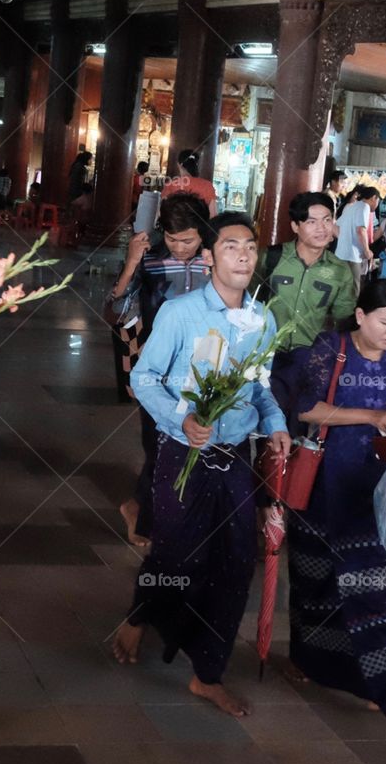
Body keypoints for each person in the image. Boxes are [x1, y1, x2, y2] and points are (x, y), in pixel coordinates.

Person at [112, 212, 290, 717]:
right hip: (181, 451)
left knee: (235, 563)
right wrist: (181, 418)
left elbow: (260, 388)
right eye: (231, 246)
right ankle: (140, 615)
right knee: (176, 554)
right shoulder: (181, 312)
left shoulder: (262, 319)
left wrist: (275, 423)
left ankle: (207, 673)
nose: (243, 256)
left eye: (251, 248)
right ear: (210, 256)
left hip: (233, 456)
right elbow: (144, 379)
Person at [286, 278, 386, 715]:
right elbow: (306, 408)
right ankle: (310, 660)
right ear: (360, 315)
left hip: (375, 490)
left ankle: (384, 685)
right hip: (325, 483)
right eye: (385, 321)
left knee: (369, 588)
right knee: (315, 580)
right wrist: (371, 415)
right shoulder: (332, 347)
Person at [107, 194, 211, 547]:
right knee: (158, 444)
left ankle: (153, 509)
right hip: (157, 371)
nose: (179, 248)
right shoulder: (150, 261)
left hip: (205, 370)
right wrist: (132, 261)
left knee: (191, 444)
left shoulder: (213, 262)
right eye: (171, 238)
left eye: (188, 240)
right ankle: (144, 512)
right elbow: (116, 310)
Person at [255, 191, 357, 425]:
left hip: (308, 361)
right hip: (267, 356)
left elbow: (344, 320)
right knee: (265, 424)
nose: (321, 228)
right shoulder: (270, 259)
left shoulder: (339, 271)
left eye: (327, 220)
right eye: (311, 221)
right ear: (295, 225)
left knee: (297, 428)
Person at [335, 184, 380, 293]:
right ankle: (351, 310)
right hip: (352, 256)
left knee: (340, 287)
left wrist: (344, 241)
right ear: (374, 198)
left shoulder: (352, 206)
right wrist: (367, 250)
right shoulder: (364, 207)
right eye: (378, 200)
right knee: (354, 290)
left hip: (340, 254)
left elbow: (335, 226)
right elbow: (361, 230)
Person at [162, 149, 218, 216]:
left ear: (179, 165)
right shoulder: (207, 186)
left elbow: (161, 212)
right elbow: (213, 215)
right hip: (200, 225)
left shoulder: (171, 185)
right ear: (196, 164)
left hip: (174, 225)